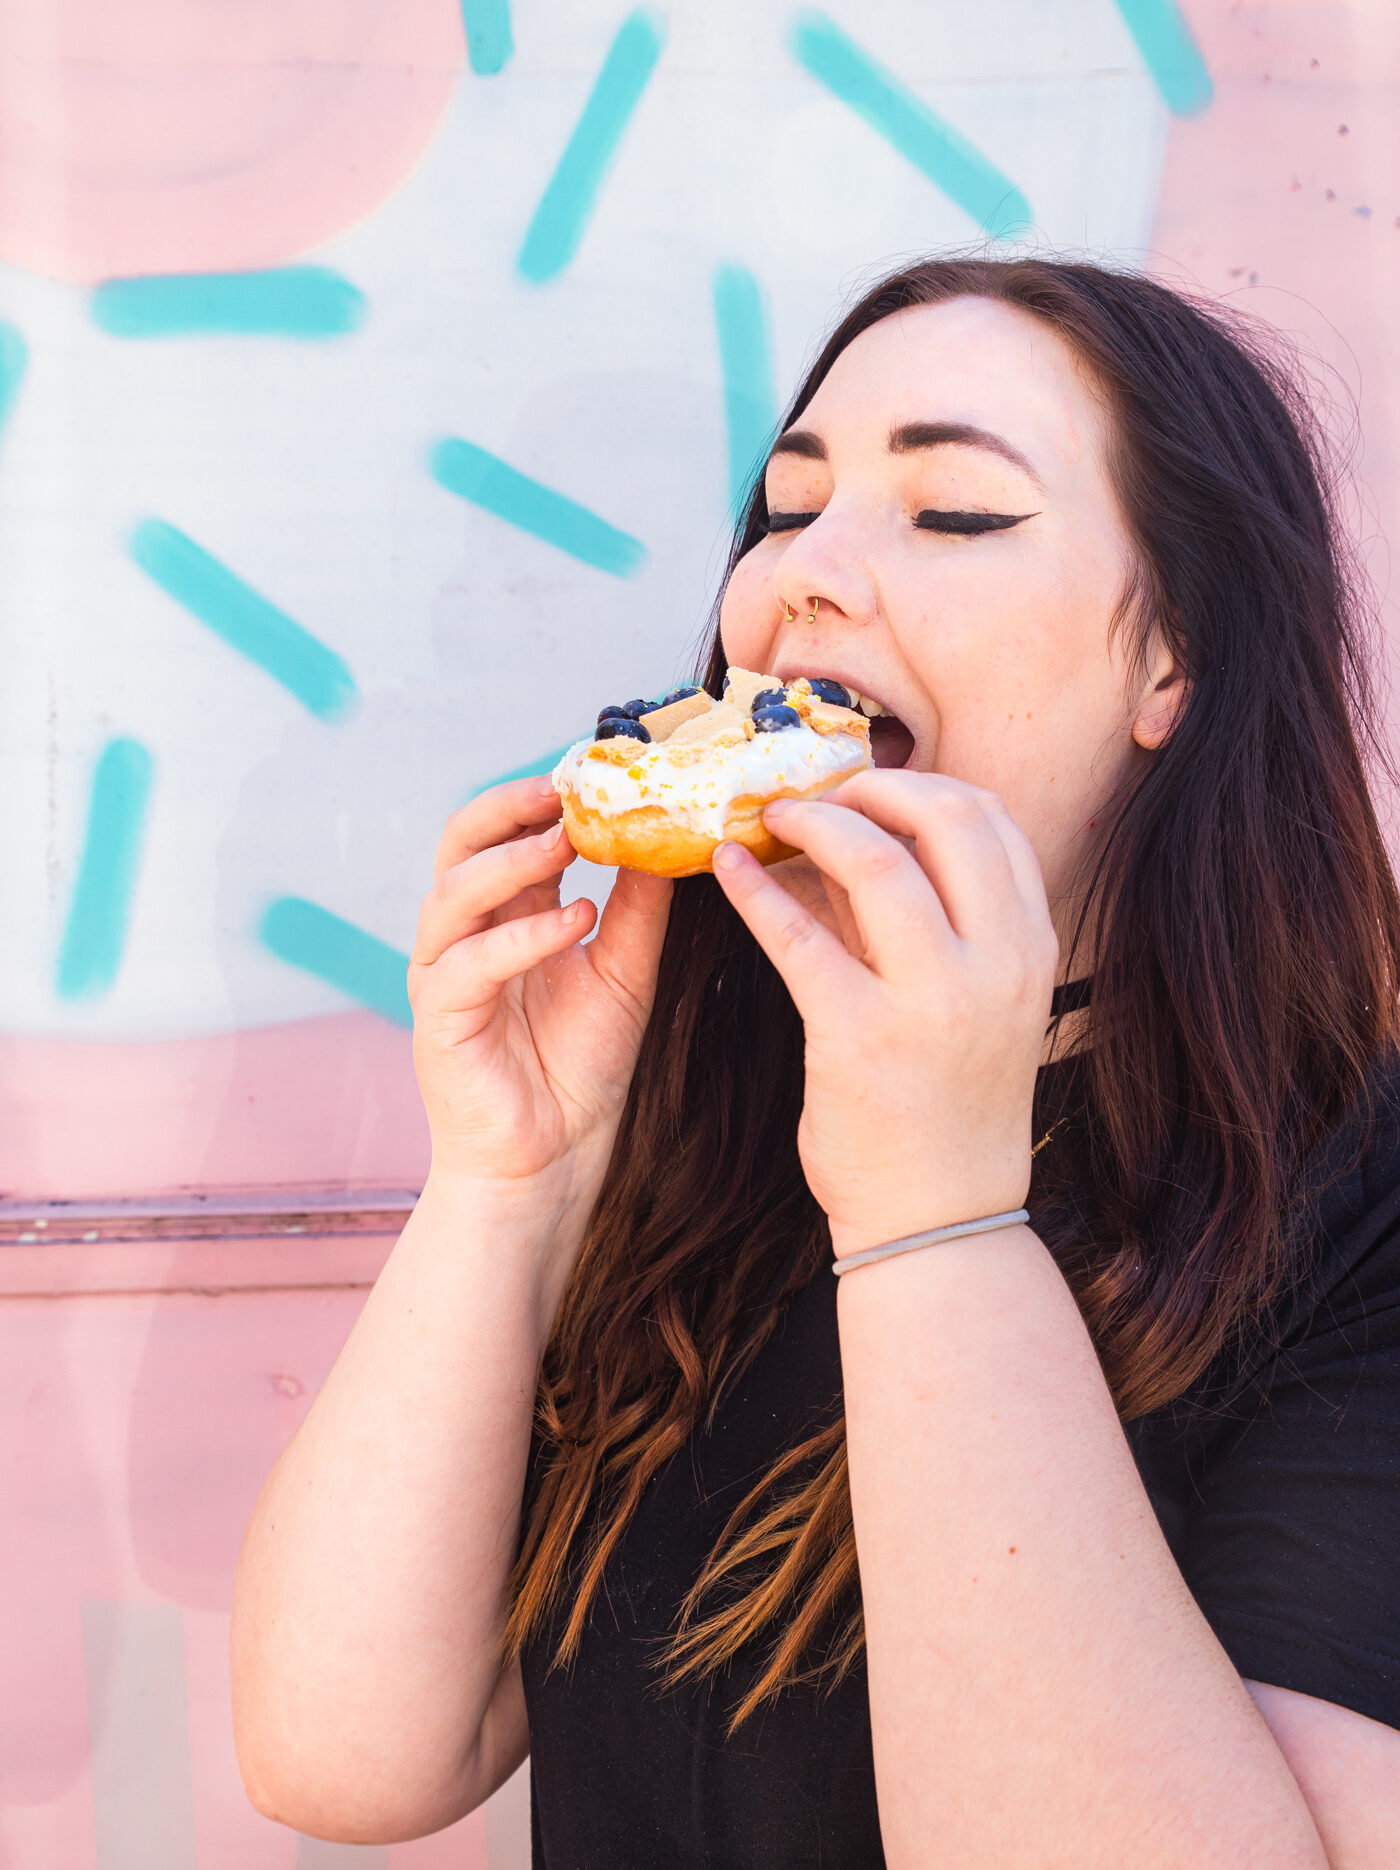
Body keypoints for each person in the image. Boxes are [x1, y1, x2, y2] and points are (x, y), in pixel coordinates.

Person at [230, 258, 1400, 1866]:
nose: (805, 578)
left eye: (956, 514)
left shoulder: (1360, 1196)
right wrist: (514, 1182)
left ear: (1172, 662)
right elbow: (341, 1757)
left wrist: (934, 1214)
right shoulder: (707, 1118)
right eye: (785, 512)